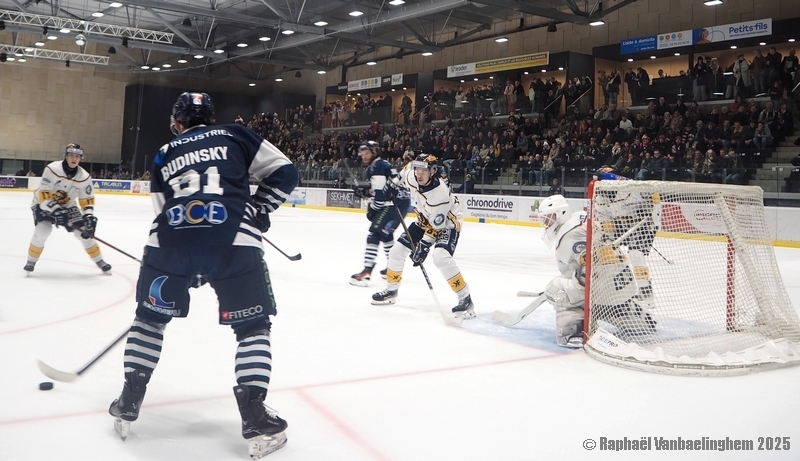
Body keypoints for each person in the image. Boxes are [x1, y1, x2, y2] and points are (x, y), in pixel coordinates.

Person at [108, 92, 298, 458]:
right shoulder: (234, 135)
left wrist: (190, 265)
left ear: (177, 123)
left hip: (169, 243)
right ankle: (255, 415)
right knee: (252, 328)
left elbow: (162, 209)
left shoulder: (164, 153)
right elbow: (285, 172)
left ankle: (129, 399)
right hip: (235, 241)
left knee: (148, 322)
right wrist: (260, 208)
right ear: (209, 119)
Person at [371, 154, 475, 319]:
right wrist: (393, 185)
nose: (419, 174)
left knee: (441, 257)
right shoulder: (413, 174)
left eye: (423, 170)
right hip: (424, 220)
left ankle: (465, 297)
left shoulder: (440, 194)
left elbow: (436, 228)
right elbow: (405, 170)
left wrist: (424, 246)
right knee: (396, 252)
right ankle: (391, 290)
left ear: (433, 171)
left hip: (447, 223)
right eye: (417, 169)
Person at [24, 143, 110, 273]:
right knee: (43, 229)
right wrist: (56, 210)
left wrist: (88, 216)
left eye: (77, 156)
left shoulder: (84, 177)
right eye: (71, 155)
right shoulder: (52, 169)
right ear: (66, 156)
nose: (74, 158)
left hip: (68, 205)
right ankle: (31, 261)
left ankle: (100, 261)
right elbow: (44, 194)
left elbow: (86, 200)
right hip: (44, 203)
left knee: (83, 232)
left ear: (81, 158)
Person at [350, 142, 411, 286]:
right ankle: (392, 268)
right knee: (386, 234)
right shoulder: (382, 164)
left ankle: (366, 272)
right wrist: (366, 190)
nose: (364, 157)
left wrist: (373, 208)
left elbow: (380, 196)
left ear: (375, 152)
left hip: (391, 205)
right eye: (362, 154)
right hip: (402, 203)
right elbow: (382, 188)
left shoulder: (375, 167)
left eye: (367, 154)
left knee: (374, 234)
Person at [535, 195, 586, 347]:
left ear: (561, 213)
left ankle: (572, 333)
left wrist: (572, 287)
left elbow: (588, 268)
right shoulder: (578, 219)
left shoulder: (568, 236)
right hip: (620, 285)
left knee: (556, 290)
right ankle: (632, 314)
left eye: (548, 217)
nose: (545, 222)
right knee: (571, 281)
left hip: (603, 289)